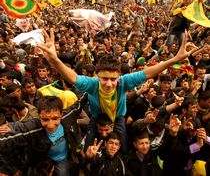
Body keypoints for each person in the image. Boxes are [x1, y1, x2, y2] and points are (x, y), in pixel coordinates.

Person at [37, 29, 197, 153]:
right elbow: (72, 77)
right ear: (97, 76)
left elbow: (149, 72)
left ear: (118, 77)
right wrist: (55, 60)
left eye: (112, 79)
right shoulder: (92, 84)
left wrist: (174, 60)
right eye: (104, 79)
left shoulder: (124, 82)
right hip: (96, 117)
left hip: (118, 118)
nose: (108, 83)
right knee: (88, 147)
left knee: (124, 147)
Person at [0, 93, 88, 176]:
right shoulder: (33, 128)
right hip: (41, 161)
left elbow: (81, 101)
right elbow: (23, 127)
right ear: (39, 116)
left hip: (62, 159)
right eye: (45, 119)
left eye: (55, 118)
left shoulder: (68, 116)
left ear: (61, 114)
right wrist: (12, 127)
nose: (50, 125)